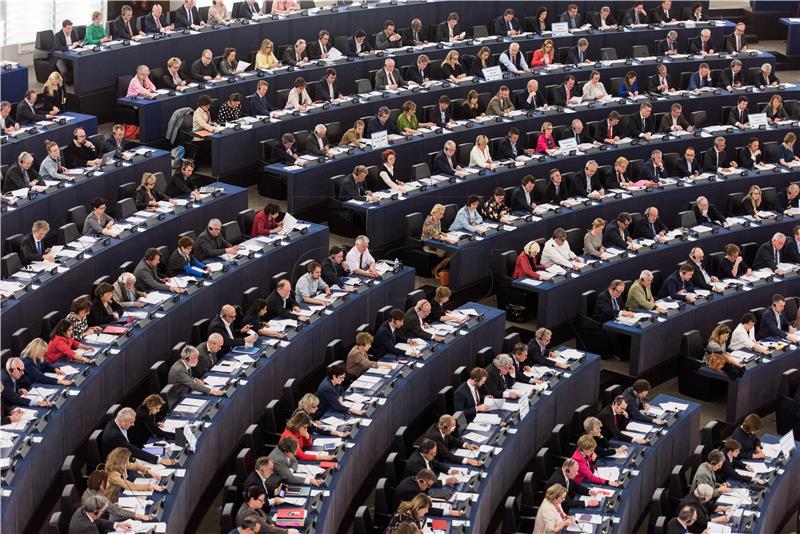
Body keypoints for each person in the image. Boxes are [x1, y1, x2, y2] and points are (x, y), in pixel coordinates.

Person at [100, 408, 175, 465]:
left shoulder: (117, 422)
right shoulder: (115, 436)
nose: (133, 425)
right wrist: (160, 460)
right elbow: (132, 450)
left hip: (127, 455)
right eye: (131, 422)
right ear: (123, 422)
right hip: (117, 464)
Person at [421, 204, 455, 277]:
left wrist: (442, 233)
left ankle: (441, 269)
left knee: (452, 254)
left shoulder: (438, 220)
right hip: (429, 245)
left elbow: (438, 232)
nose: (442, 216)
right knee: (450, 255)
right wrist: (448, 239)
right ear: (434, 212)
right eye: (440, 214)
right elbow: (436, 236)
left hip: (437, 242)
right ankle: (435, 269)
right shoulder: (428, 221)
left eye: (443, 214)